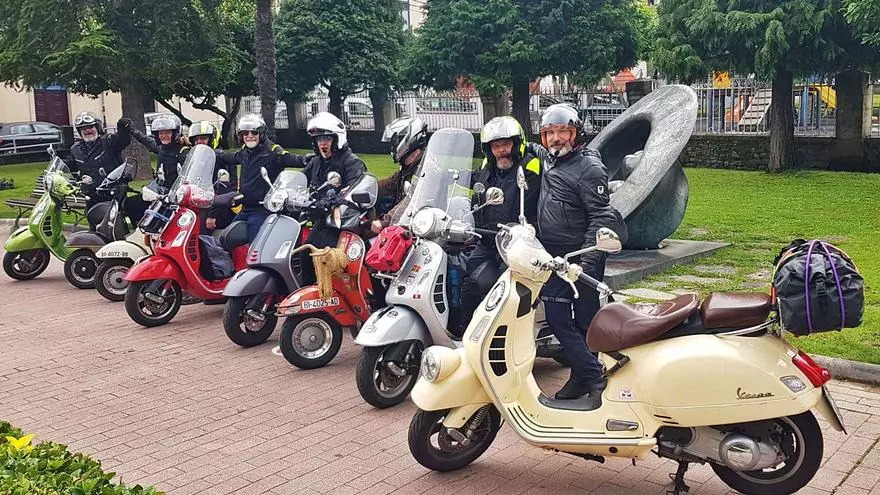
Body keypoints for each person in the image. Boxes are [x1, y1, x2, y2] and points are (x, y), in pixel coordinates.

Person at [532, 104, 625, 402]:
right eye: (549, 133)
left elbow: (601, 216)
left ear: (577, 134)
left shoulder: (589, 168)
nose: (556, 138)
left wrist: (588, 260)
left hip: (580, 254)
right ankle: (587, 376)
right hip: (553, 255)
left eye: (564, 131)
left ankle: (588, 377)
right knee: (558, 316)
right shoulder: (548, 159)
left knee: (584, 319)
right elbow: (528, 149)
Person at [217, 112, 365, 243]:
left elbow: (354, 194)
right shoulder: (317, 162)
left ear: (338, 138)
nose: (322, 143)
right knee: (227, 237)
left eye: (326, 138)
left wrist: (334, 199)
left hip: (340, 224)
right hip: (318, 219)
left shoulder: (352, 163)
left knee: (260, 241)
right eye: (319, 139)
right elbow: (299, 179)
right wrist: (287, 193)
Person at [456, 116, 541, 334]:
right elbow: (471, 181)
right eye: (495, 146)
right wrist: (449, 175)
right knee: (468, 282)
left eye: (505, 144)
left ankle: (507, 334)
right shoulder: (488, 168)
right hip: (487, 239)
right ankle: (468, 332)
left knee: (506, 289)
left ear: (516, 143)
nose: (501, 151)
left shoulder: (529, 166)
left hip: (517, 242)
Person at [66, 112, 135, 212]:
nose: (87, 131)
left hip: (113, 192)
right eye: (83, 129)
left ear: (97, 128)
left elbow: (123, 140)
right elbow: (69, 165)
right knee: (92, 218)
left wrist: (123, 127)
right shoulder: (75, 149)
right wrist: (58, 166)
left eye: (90, 127)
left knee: (115, 218)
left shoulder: (109, 141)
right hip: (91, 194)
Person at [371, 116, 428, 234]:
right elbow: (388, 184)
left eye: (395, 142)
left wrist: (385, 221)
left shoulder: (426, 169)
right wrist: (361, 189)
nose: (392, 146)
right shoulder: (408, 167)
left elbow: (412, 200)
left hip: (419, 229)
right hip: (405, 225)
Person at [129, 114, 188, 188]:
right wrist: (133, 131)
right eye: (161, 133)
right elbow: (147, 141)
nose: (163, 136)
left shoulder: (183, 152)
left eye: (167, 133)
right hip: (161, 190)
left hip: (179, 192)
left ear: (175, 133)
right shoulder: (161, 149)